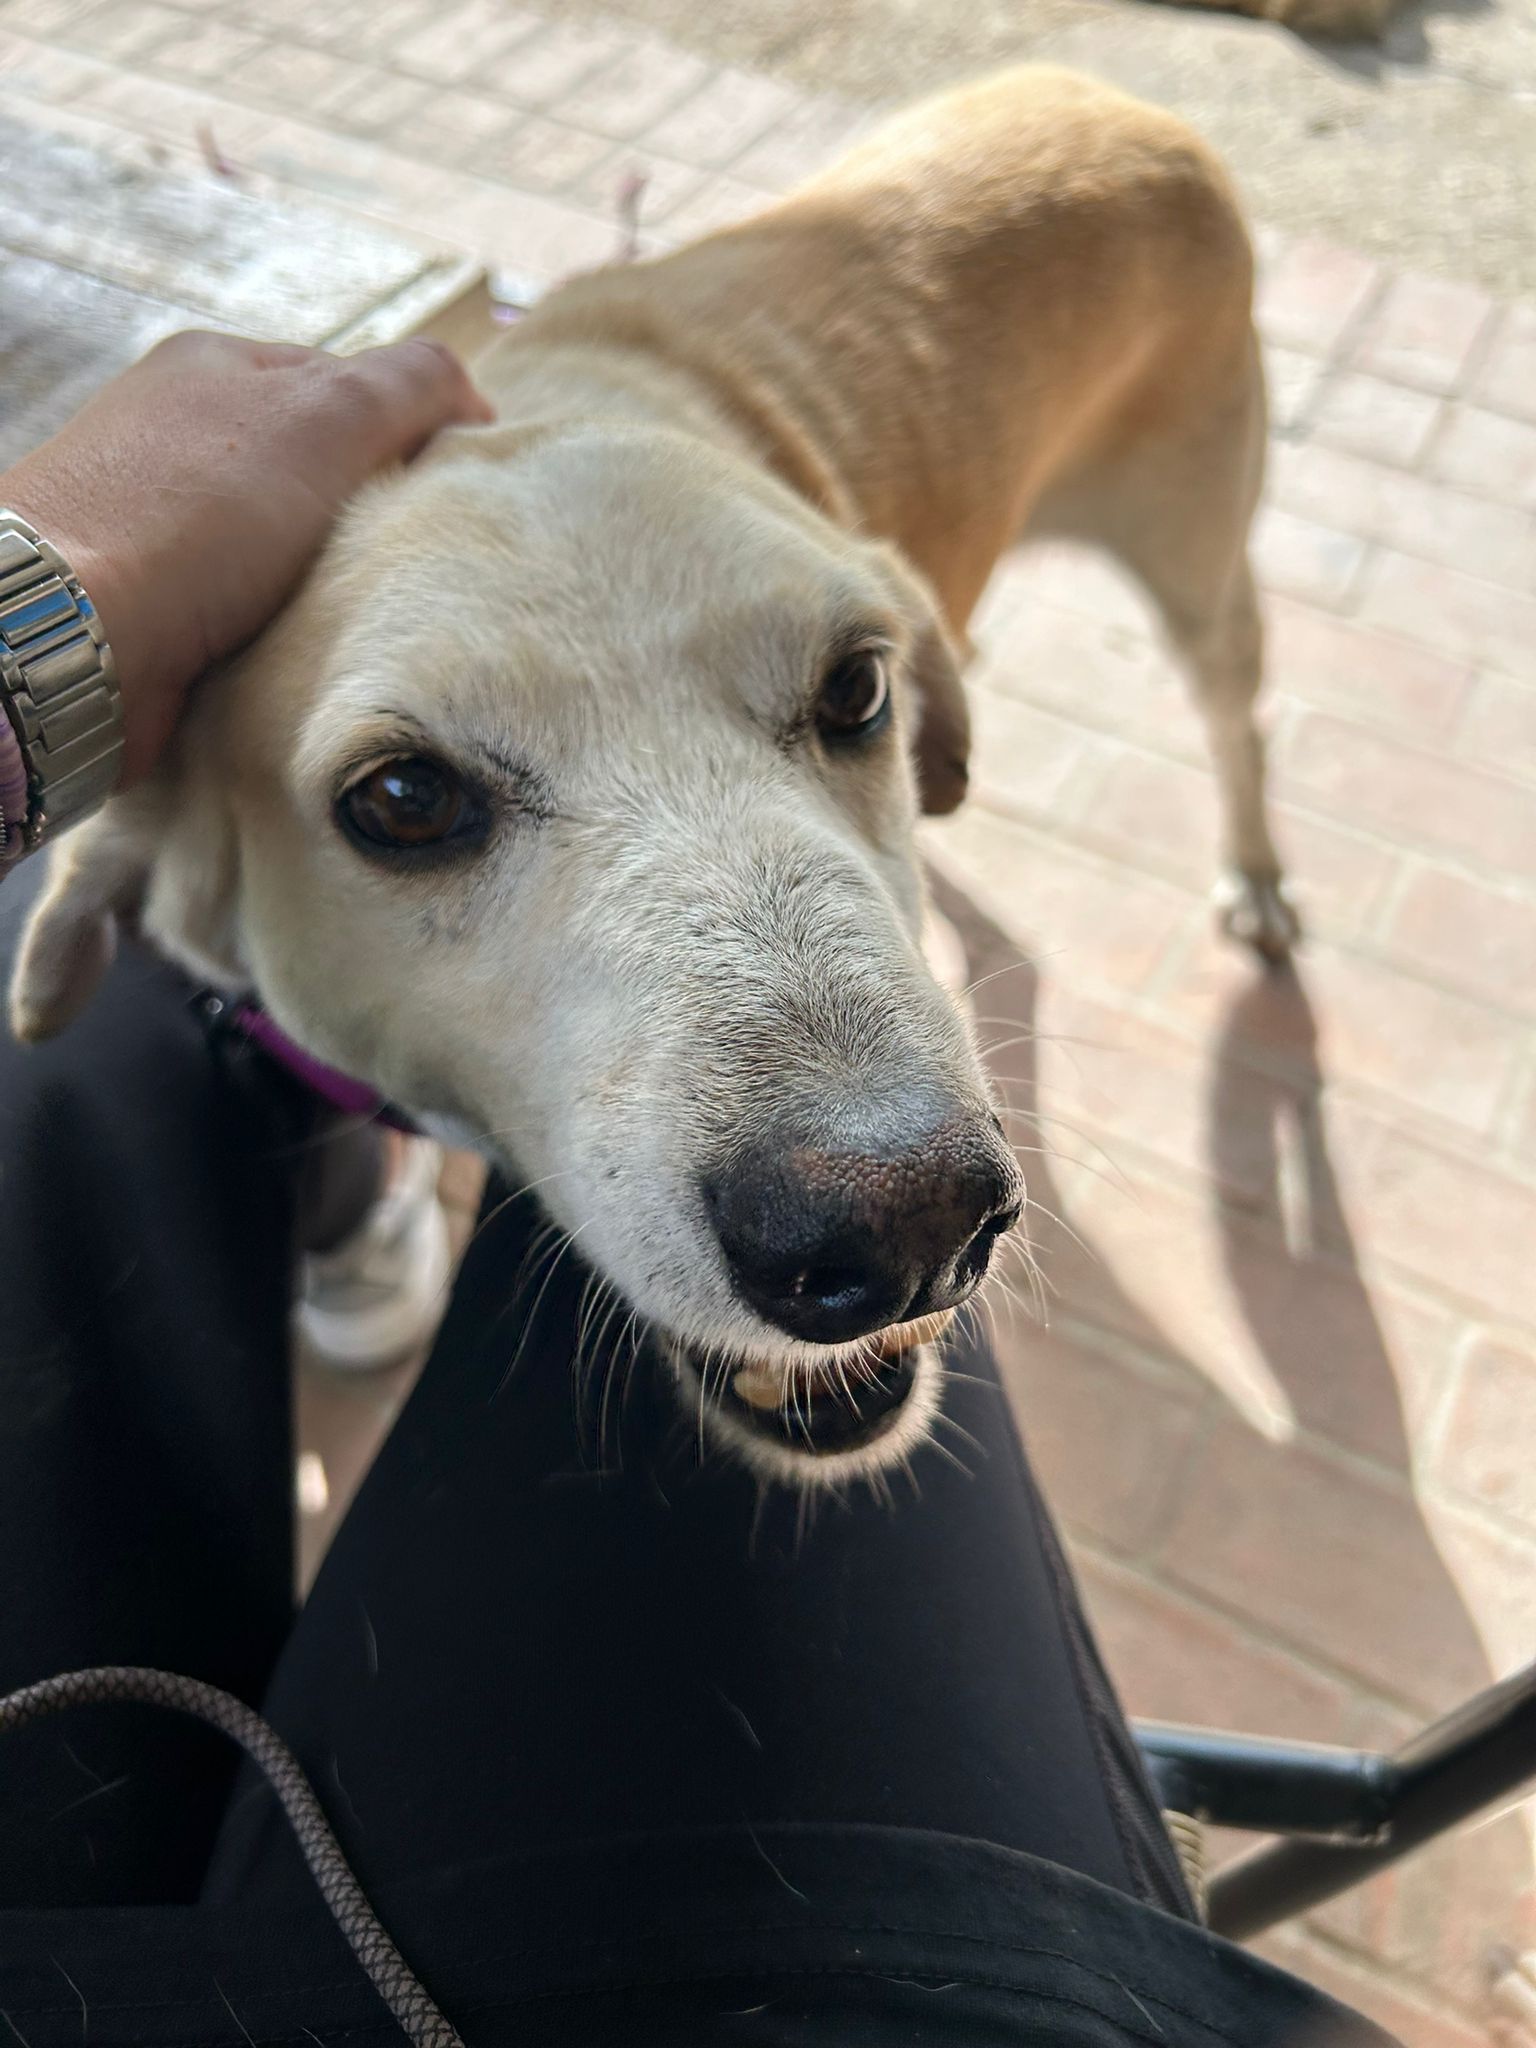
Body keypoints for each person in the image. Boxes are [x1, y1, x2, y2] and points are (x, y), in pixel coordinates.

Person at [0, 333, 1395, 2045]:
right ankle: (361, 1217)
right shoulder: (151, 870)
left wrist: (28, 636)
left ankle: (354, 1216)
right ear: (127, 885)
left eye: (845, 700)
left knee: (89, 1030)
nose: (910, 1199)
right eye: (416, 800)